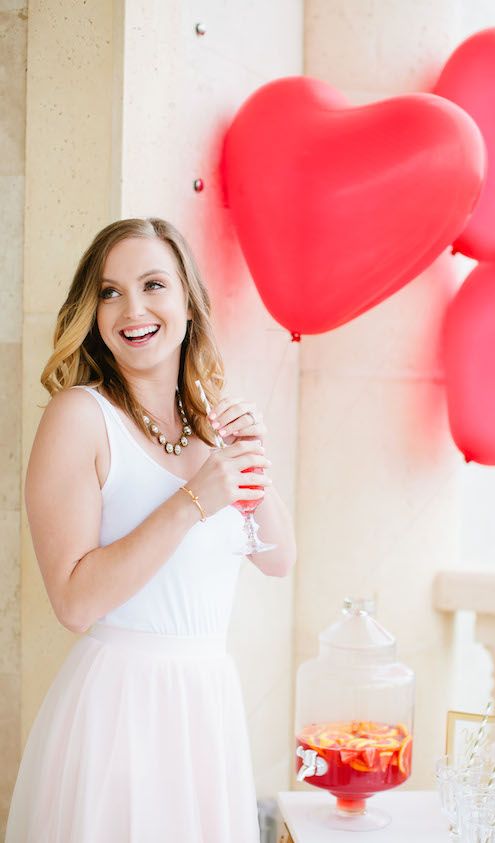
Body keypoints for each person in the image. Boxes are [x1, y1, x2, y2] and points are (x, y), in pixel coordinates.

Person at [6, 217, 297, 842]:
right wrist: (193, 499)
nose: (132, 308)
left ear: (188, 301)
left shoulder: (210, 423)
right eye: (109, 292)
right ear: (92, 312)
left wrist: (251, 456)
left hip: (206, 708)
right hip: (119, 715)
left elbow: (279, 559)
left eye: (153, 284)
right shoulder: (80, 417)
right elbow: (75, 602)